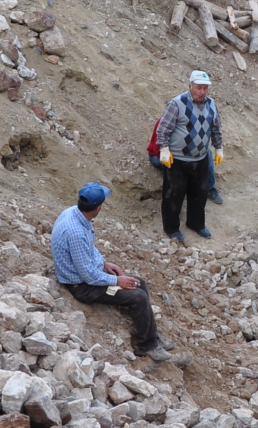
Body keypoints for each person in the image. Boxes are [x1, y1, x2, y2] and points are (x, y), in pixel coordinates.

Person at [50, 182, 187, 366]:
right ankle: (145, 345)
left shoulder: (73, 213)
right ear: (98, 208)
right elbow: (88, 276)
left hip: (86, 273)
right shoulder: (75, 232)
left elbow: (87, 250)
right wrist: (117, 280)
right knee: (137, 296)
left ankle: (153, 337)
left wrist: (104, 263)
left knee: (139, 283)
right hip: (80, 285)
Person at [152, 70, 224, 243]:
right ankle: (172, 228)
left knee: (199, 194)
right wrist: (164, 149)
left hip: (200, 158)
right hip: (177, 160)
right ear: (190, 86)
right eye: (199, 88)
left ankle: (196, 224)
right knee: (173, 195)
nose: (202, 92)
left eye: (205, 88)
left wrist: (219, 148)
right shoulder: (177, 104)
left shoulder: (211, 104)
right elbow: (163, 129)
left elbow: (215, 128)